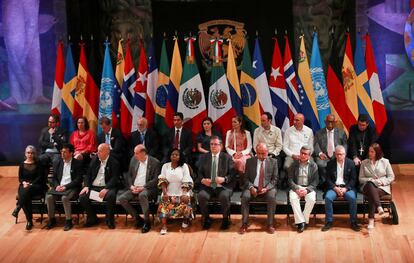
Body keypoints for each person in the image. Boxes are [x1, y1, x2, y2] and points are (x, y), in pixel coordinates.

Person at [117, 144, 161, 233]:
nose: (134, 155)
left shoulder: (155, 162)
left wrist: (143, 187)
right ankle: (137, 218)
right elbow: (129, 175)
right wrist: (131, 186)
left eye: (136, 153)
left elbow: (156, 180)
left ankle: (147, 222)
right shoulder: (134, 160)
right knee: (122, 198)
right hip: (135, 187)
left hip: (149, 189)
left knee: (142, 195)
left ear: (143, 153)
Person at [197, 136, 236, 230]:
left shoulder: (227, 157)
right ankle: (206, 218)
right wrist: (203, 180)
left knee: (224, 196)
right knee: (201, 196)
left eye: (215, 144)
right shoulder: (204, 157)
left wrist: (224, 179)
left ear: (221, 146)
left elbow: (233, 174)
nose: (213, 146)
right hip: (208, 186)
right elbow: (199, 173)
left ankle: (225, 219)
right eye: (211, 144)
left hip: (223, 186)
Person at [79, 143, 120, 229]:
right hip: (94, 187)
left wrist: (106, 188)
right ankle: (92, 218)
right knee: (83, 196)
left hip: (107, 187)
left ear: (107, 152)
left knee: (111, 196)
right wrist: (86, 186)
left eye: (100, 151)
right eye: (97, 151)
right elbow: (88, 175)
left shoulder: (114, 162)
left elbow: (115, 178)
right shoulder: (95, 159)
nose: (97, 153)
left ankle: (109, 220)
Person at [239, 143, 278, 234]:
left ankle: (270, 224)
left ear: (267, 152)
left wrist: (267, 188)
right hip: (252, 186)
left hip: (267, 187)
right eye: (259, 153)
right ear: (256, 152)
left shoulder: (273, 162)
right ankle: (244, 223)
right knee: (245, 197)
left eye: (263, 153)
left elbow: (275, 179)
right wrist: (251, 187)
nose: (261, 156)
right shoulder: (250, 161)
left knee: (272, 197)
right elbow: (246, 178)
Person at [322, 145, 360, 232]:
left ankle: (353, 222)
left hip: (346, 187)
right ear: (335, 154)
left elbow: (353, 179)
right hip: (334, 187)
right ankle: (329, 221)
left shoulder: (350, 163)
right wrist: (335, 188)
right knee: (328, 198)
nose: (340, 156)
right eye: (338, 154)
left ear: (345, 154)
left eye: (342, 154)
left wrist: (346, 188)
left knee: (352, 198)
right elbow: (327, 179)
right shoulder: (330, 163)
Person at [45, 143, 83, 231]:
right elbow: (54, 178)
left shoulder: (77, 163)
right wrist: (57, 185)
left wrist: (66, 187)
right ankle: (52, 219)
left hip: (72, 187)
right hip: (59, 187)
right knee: (49, 196)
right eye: (61, 152)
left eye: (65, 152)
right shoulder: (57, 162)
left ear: (71, 153)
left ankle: (68, 220)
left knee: (64, 198)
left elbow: (78, 180)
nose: (62, 154)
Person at [158, 148, 193, 235]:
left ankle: (185, 220)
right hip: (168, 190)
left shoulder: (184, 166)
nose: (174, 156)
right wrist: (165, 193)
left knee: (185, 200)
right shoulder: (165, 166)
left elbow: (186, 180)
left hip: (181, 190)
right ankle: (164, 226)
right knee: (164, 202)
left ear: (180, 157)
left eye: (176, 155)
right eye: (172, 154)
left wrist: (184, 193)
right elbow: (162, 181)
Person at [359, 143, 395, 230]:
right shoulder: (364, 162)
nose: (370, 153)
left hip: (381, 187)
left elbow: (391, 176)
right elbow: (360, 178)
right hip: (367, 187)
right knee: (370, 184)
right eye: (369, 151)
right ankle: (379, 207)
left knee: (373, 194)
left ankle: (371, 219)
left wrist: (382, 182)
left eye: (372, 152)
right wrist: (370, 179)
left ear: (377, 153)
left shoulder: (385, 162)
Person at [288, 146, 318, 233]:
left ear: (309, 156)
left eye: (305, 154)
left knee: (312, 199)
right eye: (301, 153)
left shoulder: (313, 165)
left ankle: (301, 221)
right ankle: (303, 222)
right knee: (293, 198)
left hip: (308, 187)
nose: (303, 155)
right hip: (296, 187)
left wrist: (307, 190)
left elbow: (315, 182)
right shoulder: (293, 164)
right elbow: (290, 180)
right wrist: (296, 189)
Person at [16, 145, 46, 230]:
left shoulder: (39, 164)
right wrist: (24, 182)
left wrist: (31, 184)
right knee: (25, 196)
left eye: (32, 153)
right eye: (28, 153)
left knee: (24, 193)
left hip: (36, 186)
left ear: (35, 154)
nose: (30, 154)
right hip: (25, 185)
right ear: (25, 154)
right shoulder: (22, 164)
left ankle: (19, 207)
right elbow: (20, 178)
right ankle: (29, 221)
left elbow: (40, 177)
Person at [313, 114, 347, 189]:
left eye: (332, 122)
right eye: (328, 122)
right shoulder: (319, 133)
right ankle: (324, 183)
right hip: (324, 156)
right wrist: (320, 153)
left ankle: (336, 183)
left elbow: (345, 145)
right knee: (320, 164)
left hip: (337, 156)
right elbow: (315, 144)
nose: (330, 124)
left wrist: (341, 155)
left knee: (341, 164)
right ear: (325, 122)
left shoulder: (341, 132)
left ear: (335, 122)